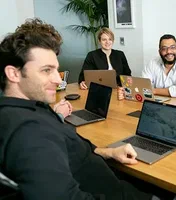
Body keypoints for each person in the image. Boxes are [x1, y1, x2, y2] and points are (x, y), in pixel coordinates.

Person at [0, 18, 154, 200]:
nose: (58, 79)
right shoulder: (28, 131)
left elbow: (70, 146)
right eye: (46, 70)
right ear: (14, 73)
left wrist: (109, 152)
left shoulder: (31, 107)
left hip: (111, 177)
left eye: (56, 69)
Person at [117, 34, 176, 99]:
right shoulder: (153, 62)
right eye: (164, 48)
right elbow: (144, 85)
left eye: (172, 47)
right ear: (159, 51)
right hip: (159, 104)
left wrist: (153, 91)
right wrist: (127, 91)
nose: (169, 51)